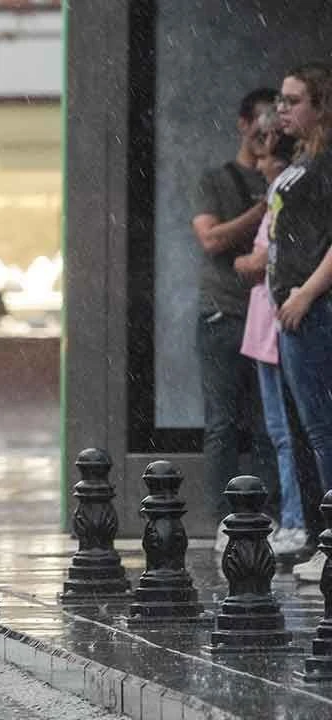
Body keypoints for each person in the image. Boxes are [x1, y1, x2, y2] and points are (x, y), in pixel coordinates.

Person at [190, 87, 280, 550]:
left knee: (269, 426)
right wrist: (261, 208)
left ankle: (268, 516)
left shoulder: (287, 176)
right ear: (244, 124)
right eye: (261, 123)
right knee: (224, 423)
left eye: (275, 125)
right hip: (223, 314)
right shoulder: (216, 180)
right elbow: (211, 239)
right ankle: (223, 519)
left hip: (269, 316)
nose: (267, 133)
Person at [268, 62, 332, 583]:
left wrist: (307, 293)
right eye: (281, 100)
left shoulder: (325, 163)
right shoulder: (301, 159)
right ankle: (321, 535)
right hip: (294, 310)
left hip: (312, 310)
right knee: (309, 430)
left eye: (293, 101)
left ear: (320, 106)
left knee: (322, 430)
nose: (282, 109)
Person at [234, 123, 305, 555]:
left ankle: (297, 520)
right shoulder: (281, 192)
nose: (258, 165)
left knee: (286, 433)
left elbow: (264, 258)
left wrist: (244, 262)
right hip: (265, 329)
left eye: (264, 157)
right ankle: (296, 517)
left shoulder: (285, 192)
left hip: (274, 327)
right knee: (283, 432)